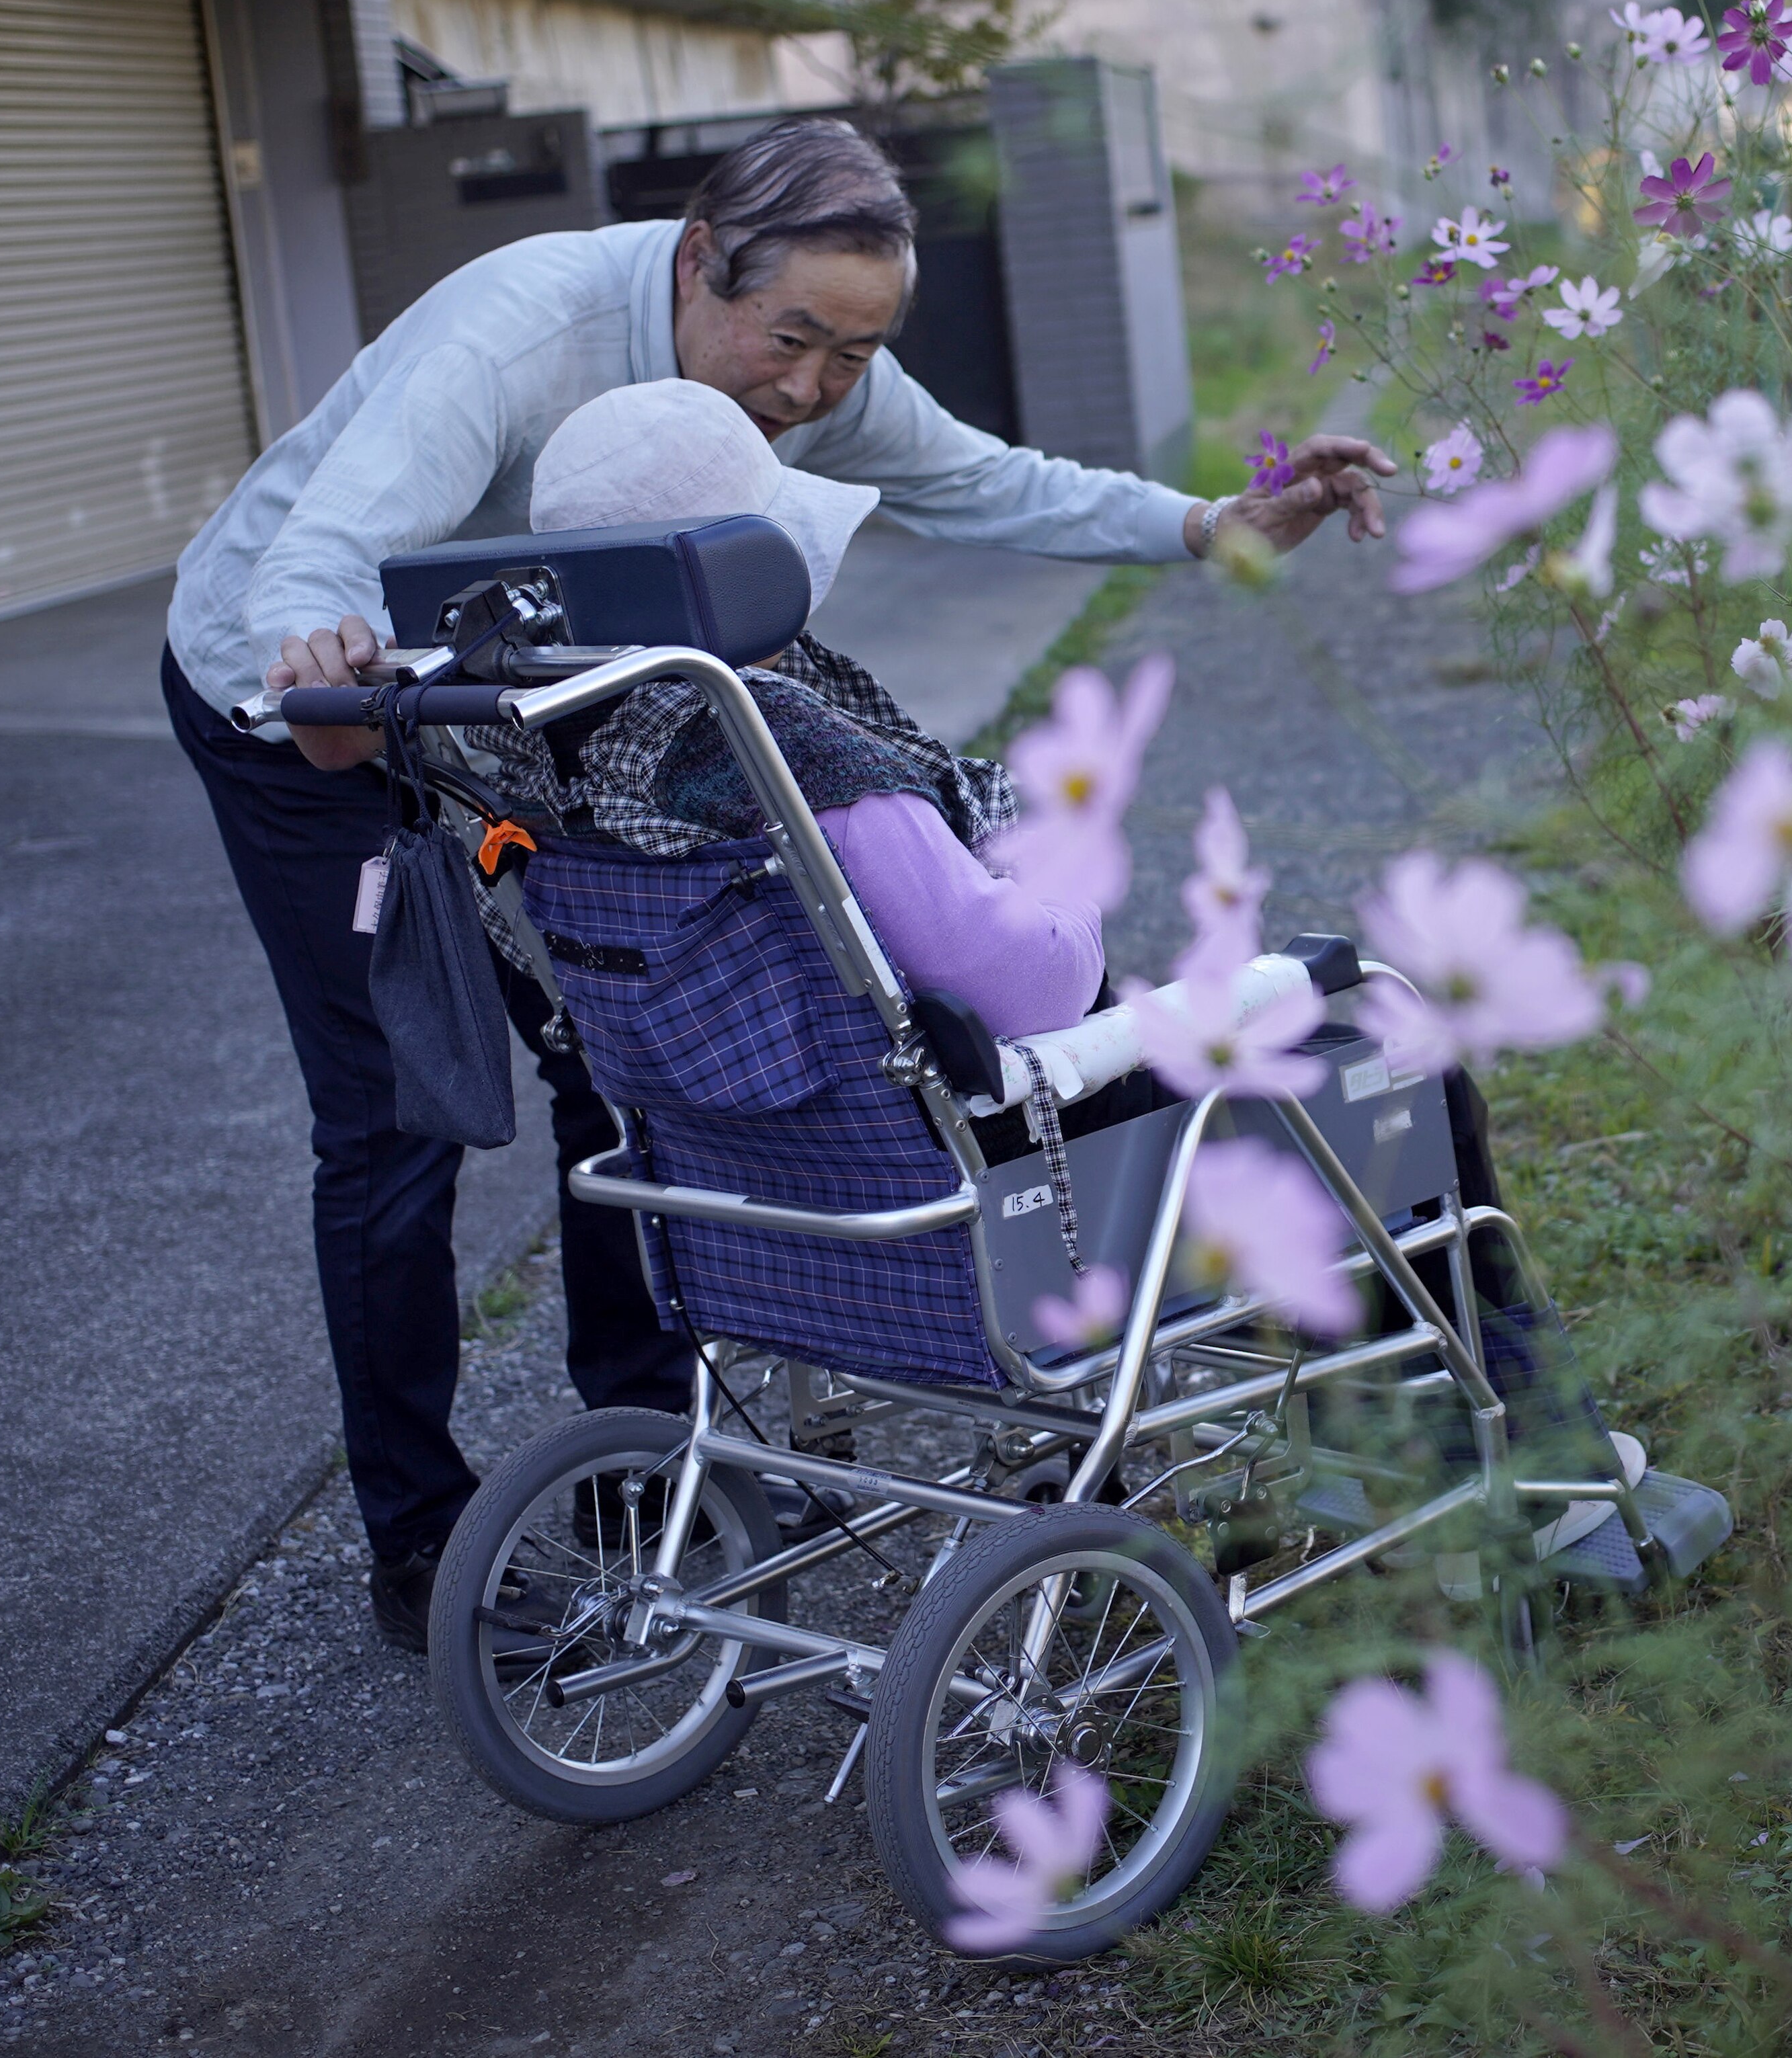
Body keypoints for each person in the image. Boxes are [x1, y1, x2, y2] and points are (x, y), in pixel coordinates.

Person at [163, 118, 1394, 1650]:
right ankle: (419, 1536)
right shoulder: (521, 332)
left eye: (853, 355)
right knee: (395, 1117)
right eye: (792, 339)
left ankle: (647, 1466)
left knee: (615, 1059)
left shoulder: (815, 363)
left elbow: (981, 480)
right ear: (698, 262)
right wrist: (317, 657)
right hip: (303, 697)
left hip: (552, 702)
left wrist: (1209, 525)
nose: (814, 389)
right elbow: (324, 546)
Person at [511, 376, 1103, 1037]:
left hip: (704, 1092)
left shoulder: (541, 743)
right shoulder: (791, 759)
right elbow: (1033, 989)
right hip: (903, 1096)